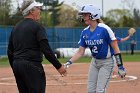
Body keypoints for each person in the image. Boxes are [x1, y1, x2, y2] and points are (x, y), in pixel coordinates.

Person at [7, 1, 67, 93]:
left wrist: (16, 66)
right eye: (38, 8)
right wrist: (59, 66)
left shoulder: (16, 27)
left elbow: (10, 51)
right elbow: (46, 50)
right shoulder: (38, 27)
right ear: (31, 11)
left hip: (17, 65)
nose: (40, 11)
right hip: (32, 66)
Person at [64, 5, 126, 93]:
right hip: (95, 62)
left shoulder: (104, 29)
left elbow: (116, 48)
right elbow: (80, 52)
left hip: (107, 62)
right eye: (83, 15)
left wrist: (120, 67)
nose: (83, 17)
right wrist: (69, 62)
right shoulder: (85, 32)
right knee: (90, 90)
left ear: (94, 15)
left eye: (85, 15)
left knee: (100, 90)